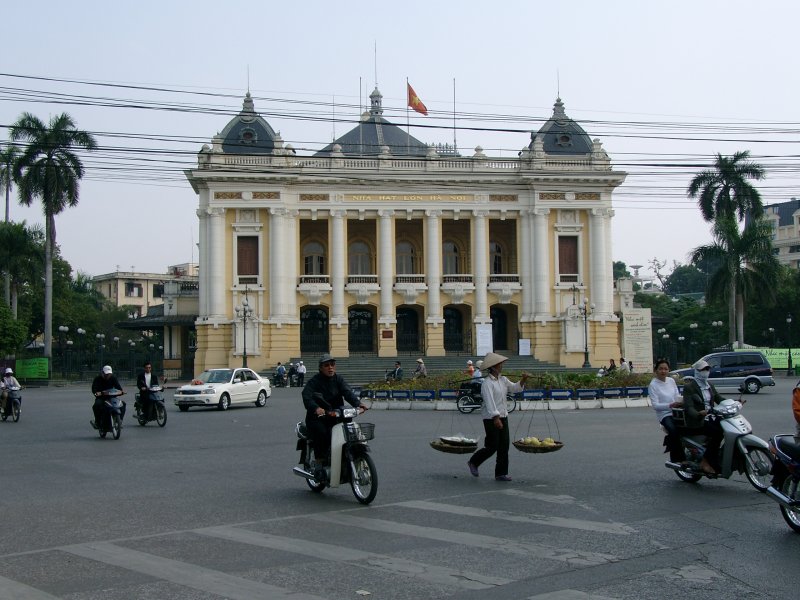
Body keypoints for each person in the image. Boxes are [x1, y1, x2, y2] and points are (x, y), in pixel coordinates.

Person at [467, 352, 529, 482]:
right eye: (500, 364)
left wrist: (523, 380)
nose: (502, 366)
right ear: (494, 367)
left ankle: (501, 473)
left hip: (503, 415)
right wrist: (496, 418)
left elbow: (515, 388)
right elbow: (489, 401)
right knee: (492, 445)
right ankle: (474, 461)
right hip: (491, 418)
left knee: (504, 446)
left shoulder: (503, 380)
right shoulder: (487, 383)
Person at [301, 354, 364, 476]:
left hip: (337, 415)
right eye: (326, 365)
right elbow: (306, 396)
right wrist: (316, 408)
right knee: (322, 433)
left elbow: (347, 392)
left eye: (332, 364)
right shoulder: (314, 381)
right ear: (321, 368)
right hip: (318, 417)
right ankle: (319, 462)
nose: (330, 367)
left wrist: (358, 404)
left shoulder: (338, 379)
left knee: (350, 432)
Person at [682, 359, 725, 474]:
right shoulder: (689, 387)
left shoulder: (709, 385)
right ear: (697, 371)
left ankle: (720, 456)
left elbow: (719, 399)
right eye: (703, 370)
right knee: (717, 433)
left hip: (711, 417)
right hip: (698, 420)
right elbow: (689, 407)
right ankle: (705, 462)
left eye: (707, 369)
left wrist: (734, 402)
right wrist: (698, 414)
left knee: (727, 427)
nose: (706, 372)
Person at [648, 358, 683, 462]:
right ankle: (678, 459)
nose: (663, 371)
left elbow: (677, 395)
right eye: (660, 369)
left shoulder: (671, 381)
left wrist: (680, 402)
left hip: (677, 411)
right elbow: (656, 405)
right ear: (656, 370)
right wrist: (670, 405)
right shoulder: (653, 385)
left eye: (666, 369)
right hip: (665, 415)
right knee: (674, 430)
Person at [91, 365, 125, 430]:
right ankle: (97, 422)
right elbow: (94, 389)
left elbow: (119, 388)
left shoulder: (113, 378)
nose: (108, 375)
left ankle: (119, 421)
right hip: (101, 398)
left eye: (109, 374)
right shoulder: (97, 379)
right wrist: (97, 393)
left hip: (112, 397)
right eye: (106, 374)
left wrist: (121, 392)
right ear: (103, 373)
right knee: (96, 405)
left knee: (123, 404)